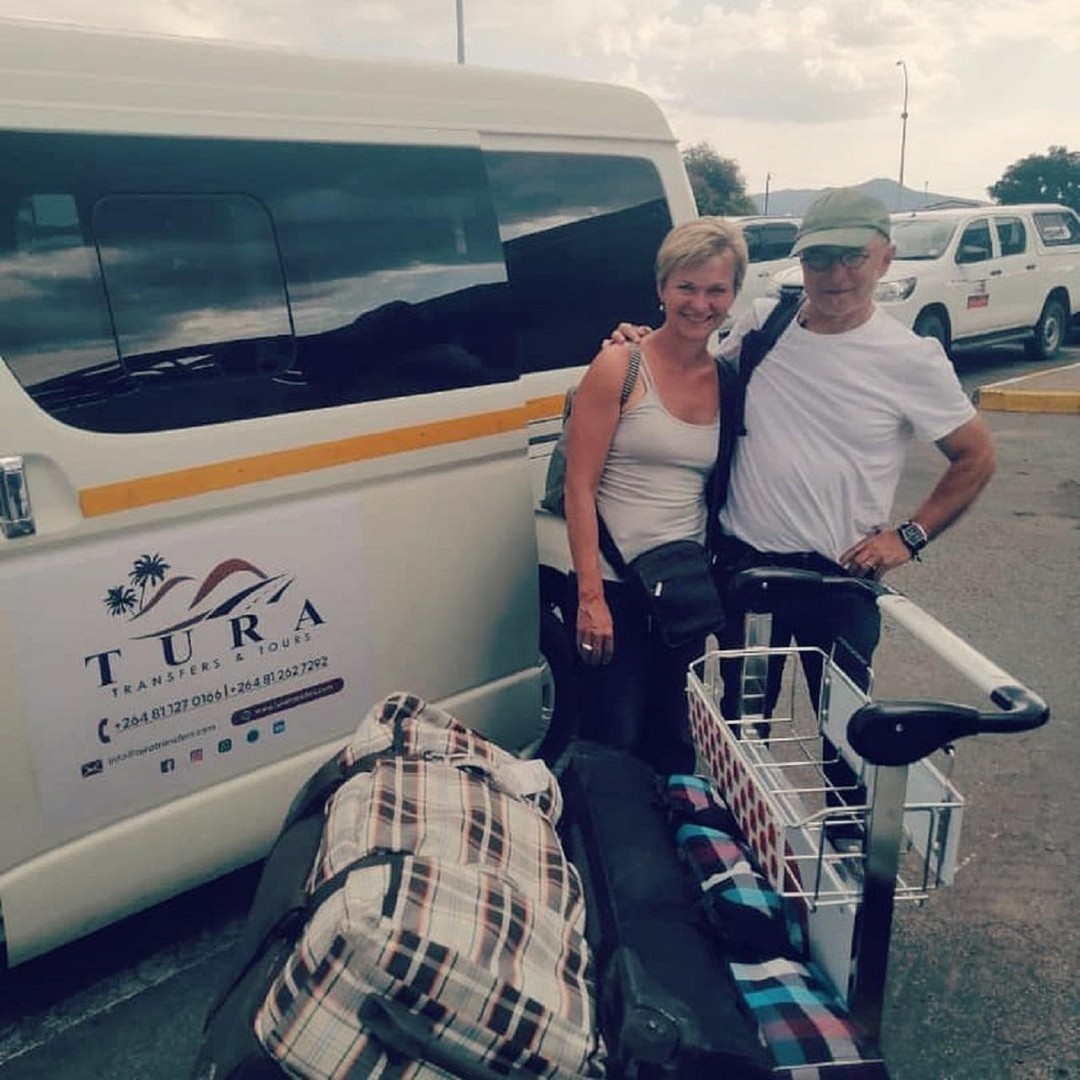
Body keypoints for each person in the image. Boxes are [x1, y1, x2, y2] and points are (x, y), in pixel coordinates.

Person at [613, 187, 996, 725]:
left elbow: (975, 456)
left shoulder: (911, 359)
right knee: (743, 730)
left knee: (846, 737)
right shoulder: (766, 323)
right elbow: (694, 372)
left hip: (841, 581)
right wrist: (639, 345)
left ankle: (843, 787)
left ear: (885, 258)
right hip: (749, 570)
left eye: (853, 257)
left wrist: (908, 538)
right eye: (818, 258)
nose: (836, 274)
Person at [563, 217, 748, 775]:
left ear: (733, 295)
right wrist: (590, 599)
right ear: (661, 287)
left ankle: (673, 829)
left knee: (674, 739)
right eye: (686, 286)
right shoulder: (620, 366)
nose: (700, 304)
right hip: (615, 587)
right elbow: (579, 486)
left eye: (716, 290)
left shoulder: (728, 379)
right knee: (612, 742)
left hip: (680, 589)